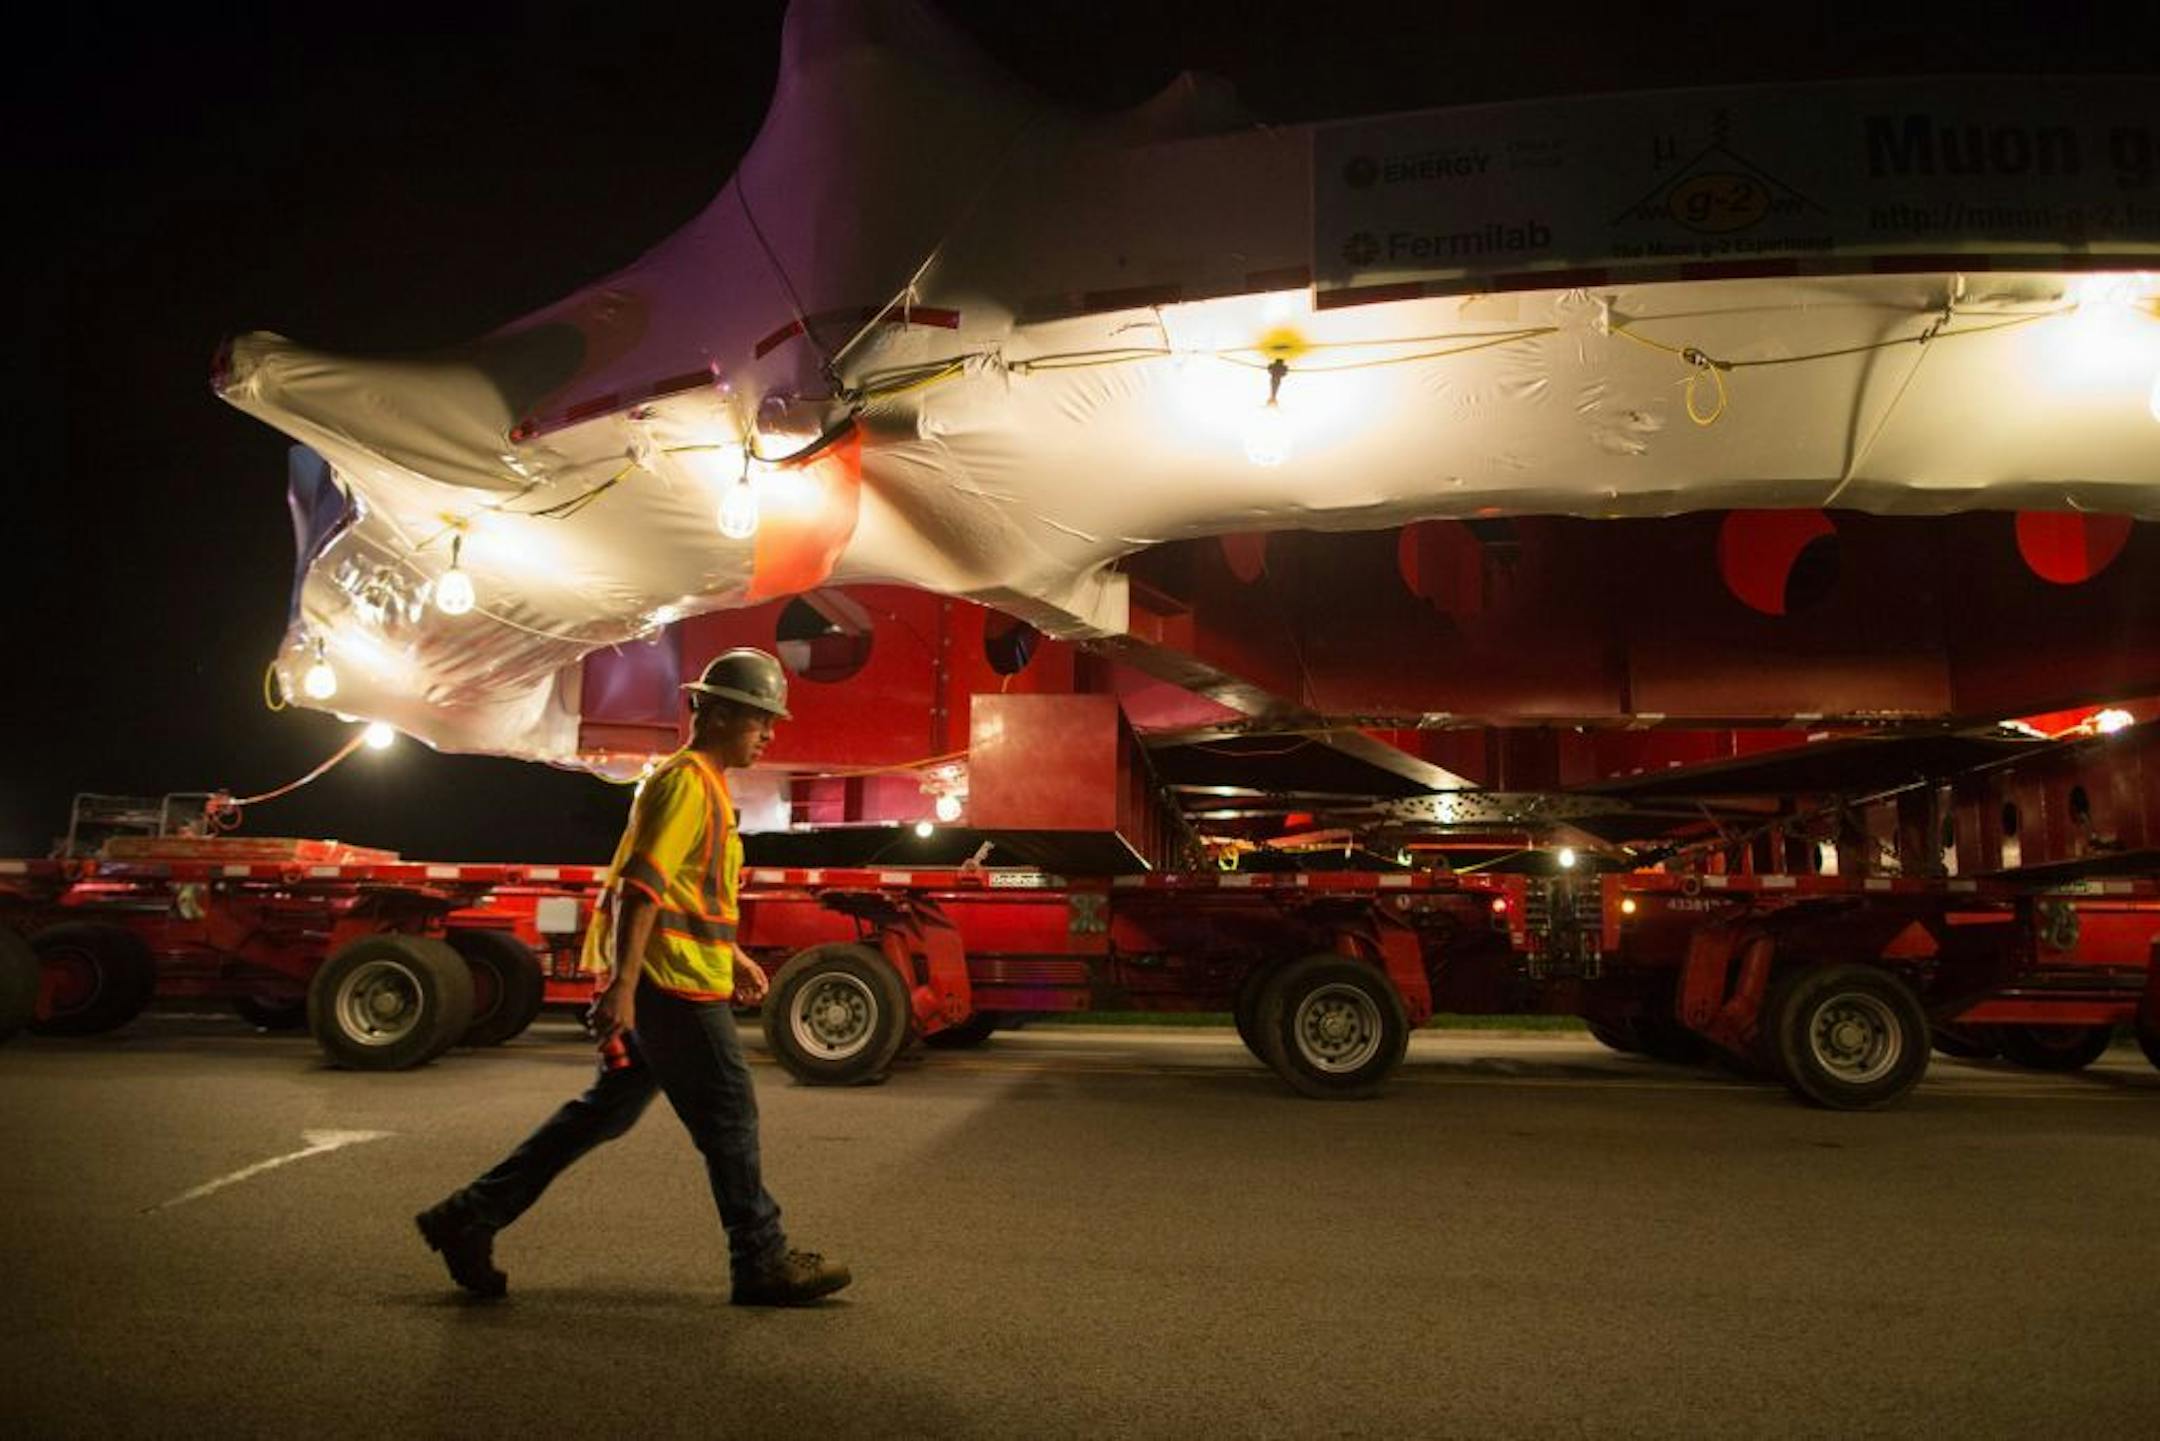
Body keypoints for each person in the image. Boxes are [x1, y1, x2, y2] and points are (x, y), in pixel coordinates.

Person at [415, 648, 850, 1307]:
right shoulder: (684, 783)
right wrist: (622, 986)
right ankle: (761, 1260)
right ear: (719, 713)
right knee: (730, 1114)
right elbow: (639, 890)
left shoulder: (702, 786)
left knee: (600, 1116)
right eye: (760, 718)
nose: (769, 732)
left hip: (672, 980)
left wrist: (731, 956)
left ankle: (469, 1215)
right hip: (669, 987)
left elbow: (679, 890)